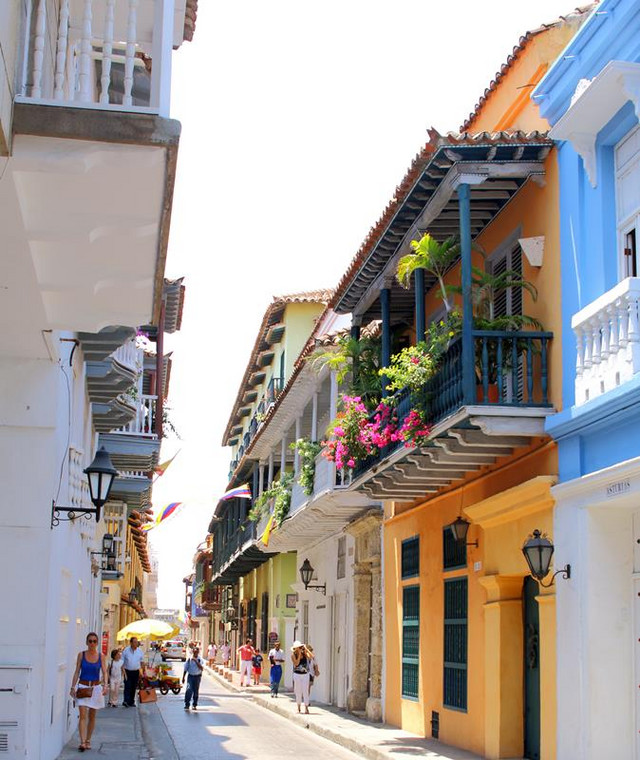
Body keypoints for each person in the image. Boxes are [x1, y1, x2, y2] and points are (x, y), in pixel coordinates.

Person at [69, 632, 108, 751]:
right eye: (90, 641)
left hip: (95, 688)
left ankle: (88, 740)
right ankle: (82, 742)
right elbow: (77, 671)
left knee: (92, 716)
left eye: (94, 641)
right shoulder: (81, 655)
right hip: (83, 687)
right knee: (82, 715)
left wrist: (105, 685)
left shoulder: (101, 656)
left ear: (97, 643)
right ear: (86, 642)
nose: (92, 643)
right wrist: (72, 687)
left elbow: (105, 671)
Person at [121, 636, 144, 707]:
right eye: (134, 642)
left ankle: (131, 701)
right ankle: (126, 701)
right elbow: (122, 661)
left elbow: (142, 662)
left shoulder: (140, 651)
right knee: (127, 686)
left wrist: (141, 672)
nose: (136, 643)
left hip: (136, 671)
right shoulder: (126, 651)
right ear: (131, 643)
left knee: (133, 687)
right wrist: (122, 670)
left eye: (137, 642)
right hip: (127, 671)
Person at [291, 640, 311, 714]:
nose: (299, 648)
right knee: (298, 691)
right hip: (297, 674)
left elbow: (311, 657)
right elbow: (296, 663)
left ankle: (306, 707)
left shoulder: (305, 653)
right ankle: (298, 707)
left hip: (305, 674)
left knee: (305, 691)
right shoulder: (293, 655)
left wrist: (306, 649)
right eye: (298, 647)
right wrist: (299, 654)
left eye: (300, 647)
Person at [182, 645, 204, 710]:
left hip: (197, 677)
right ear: (193, 652)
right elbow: (186, 668)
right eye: (194, 652)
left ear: (198, 652)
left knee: (196, 690)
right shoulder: (189, 659)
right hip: (190, 677)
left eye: (196, 652)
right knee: (189, 689)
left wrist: (196, 661)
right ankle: (187, 704)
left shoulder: (200, 659)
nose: (195, 653)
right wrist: (183, 677)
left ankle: (194, 704)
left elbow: (202, 668)